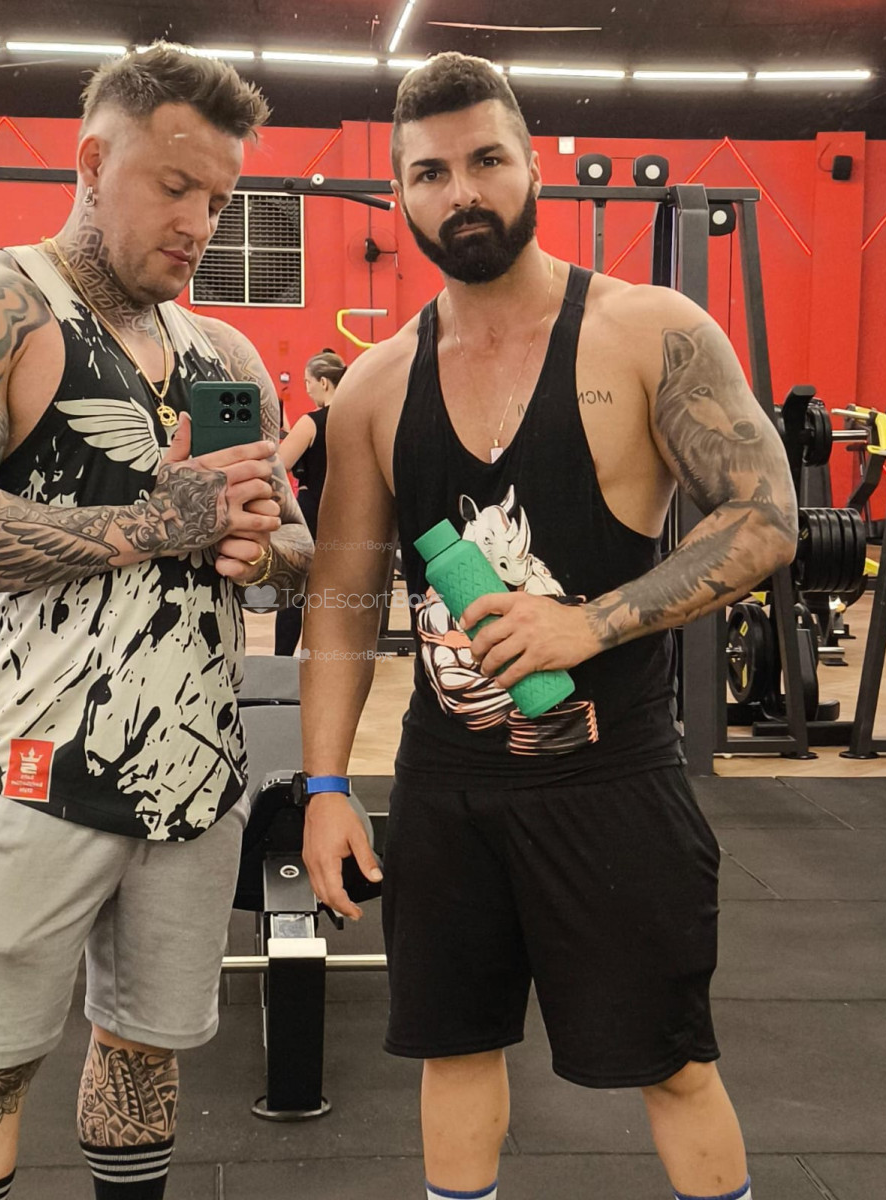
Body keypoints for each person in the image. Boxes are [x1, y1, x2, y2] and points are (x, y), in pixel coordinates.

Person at [300, 53, 797, 1200]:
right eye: (430, 173)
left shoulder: (646, 331)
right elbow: (341, 601)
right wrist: (323, 786)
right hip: (445, 787)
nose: (461, 191)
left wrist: (592, 623)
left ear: (534, 167)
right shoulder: (375, 386)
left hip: (610, 778)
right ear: (399, 195)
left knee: (672, 1064)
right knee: (451, 1053)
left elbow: (766, 518)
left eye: (486, 160)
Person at [0, 43, 312, 1200]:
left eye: (218, 199)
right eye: (175, 186)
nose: (199, 223)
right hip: (36, 771)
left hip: (196, 771)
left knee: (145, 1054)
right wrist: (165, 522)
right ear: (92, 161)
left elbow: (295, 548)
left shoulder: (225, 352)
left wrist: (261, 547)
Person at [273, 348, 346, 654]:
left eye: (308, 382)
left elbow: (279, 465)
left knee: (294, 594)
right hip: (348, 516)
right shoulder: (358, 420)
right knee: (335, 596)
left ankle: (282, 662)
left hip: (313, 512)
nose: (306, 388)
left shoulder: (312, 421)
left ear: (324, 382)